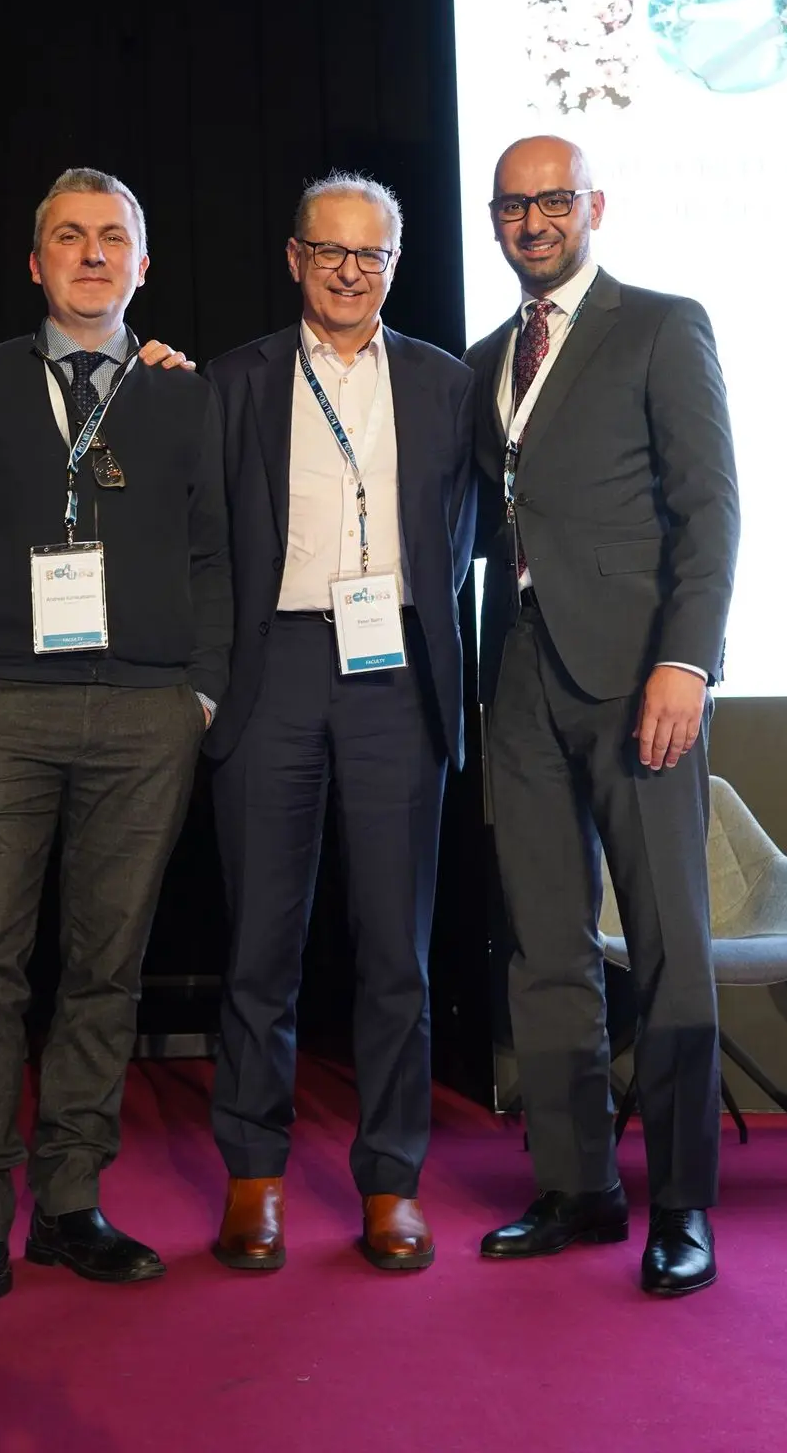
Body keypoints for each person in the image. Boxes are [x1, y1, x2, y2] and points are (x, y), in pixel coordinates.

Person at [0, 166, 231, 1328]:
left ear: (142, 264)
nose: (90, 255)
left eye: (111, 238)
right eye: (68, 238)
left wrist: (201, 694)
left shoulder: (183, 393)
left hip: (145, 715)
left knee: (106, 968)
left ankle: (71, 1201)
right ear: (34, 264)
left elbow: (215, 555)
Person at [466, 135, 739, 1297]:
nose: (532, 221)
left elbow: (709, 507)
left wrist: (685, 660)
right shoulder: (484, 357)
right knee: (544, 944)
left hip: (638, 679)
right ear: (492, 220)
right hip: (517, 673)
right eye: (511, 206)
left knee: (668, 942)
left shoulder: (661, 325)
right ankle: (576, 1185)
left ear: (593, 206)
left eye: (552, 201)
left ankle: (680, 1204)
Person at [204, 172, 476, 1273]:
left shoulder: (448, 385)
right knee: (259, 946)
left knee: (394, 952)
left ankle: (391, 1181)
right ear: (294, 257)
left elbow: (465, 528)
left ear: (394, 265)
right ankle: (253, 1176)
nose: (350, 272)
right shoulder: (233, 380)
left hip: (393, 668)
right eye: (330, 251)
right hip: (271, 666)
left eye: (371, 255)